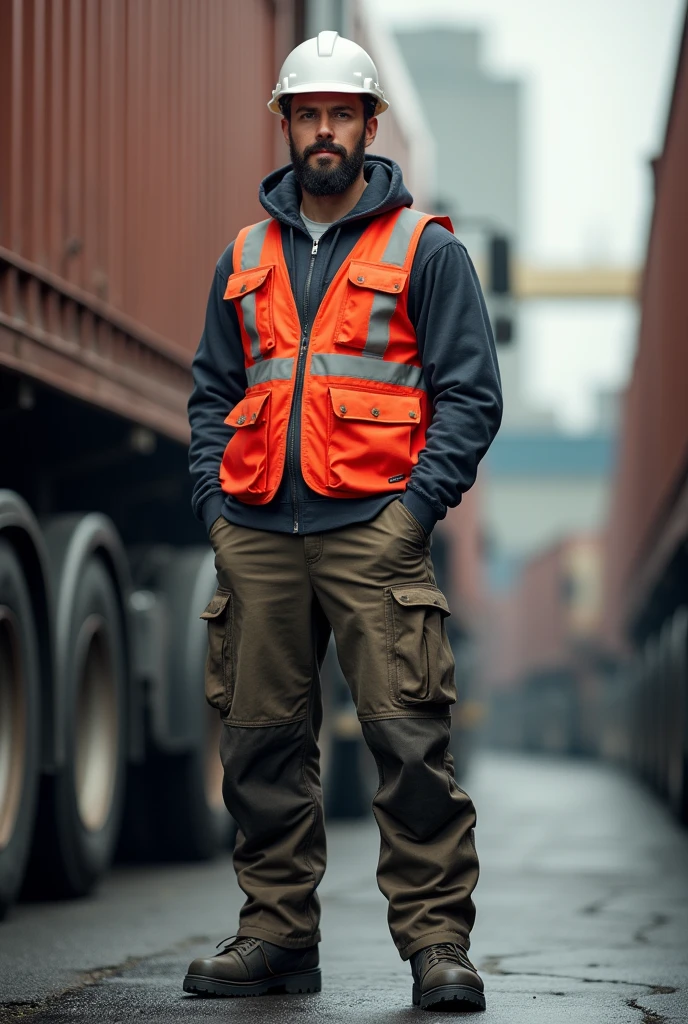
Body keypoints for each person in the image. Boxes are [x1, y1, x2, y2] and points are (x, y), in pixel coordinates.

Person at [184, 30, 502, 1013]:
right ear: (286, 124)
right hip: (260, 532)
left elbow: (471, 396)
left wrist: (410, 516)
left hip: (374, 529)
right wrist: (216, 510)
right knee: (260, 742)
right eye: (307, 113)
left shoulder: (426, 250)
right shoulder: (244, 256)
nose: (324, 129)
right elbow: (211, 391)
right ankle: (277, 932)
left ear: (369, 125)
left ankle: (437, 943)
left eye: (341, 113)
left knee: (409, 740)